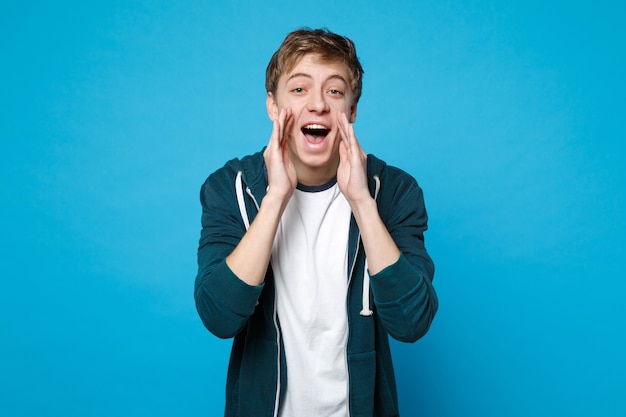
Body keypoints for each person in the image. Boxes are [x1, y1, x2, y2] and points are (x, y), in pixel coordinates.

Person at [194, 27, 438, 417]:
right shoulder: (232, 188)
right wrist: (275, 198)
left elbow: (412, 323)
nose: (319, 105)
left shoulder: (393, 192)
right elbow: (219, 316)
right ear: (273, 106)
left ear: (352, 110)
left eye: (335, 91)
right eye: (299, 89)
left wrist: (361, 201)